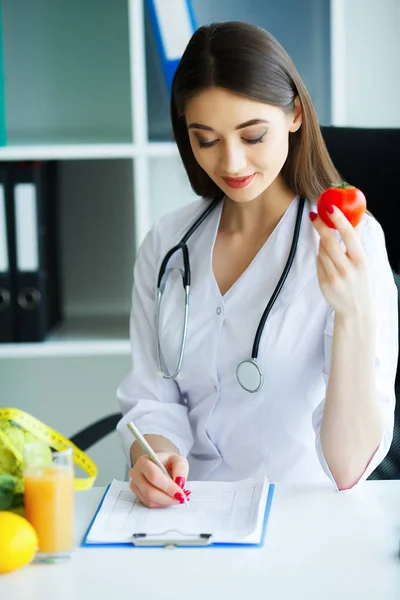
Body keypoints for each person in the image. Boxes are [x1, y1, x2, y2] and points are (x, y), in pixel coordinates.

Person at [116, 21, 398, 508]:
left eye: (252, 136)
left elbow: (350, 466)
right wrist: (154, 458)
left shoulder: (351, 243)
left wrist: (353, 314)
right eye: (206, 140)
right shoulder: (167, 244)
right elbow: (153, 400)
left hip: (300, 519)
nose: (232, 163)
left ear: (293, 114)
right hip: (187, 516)